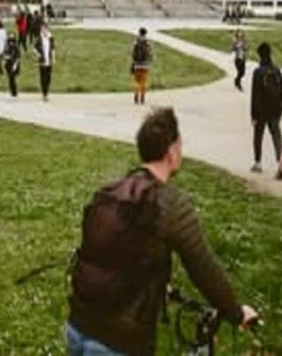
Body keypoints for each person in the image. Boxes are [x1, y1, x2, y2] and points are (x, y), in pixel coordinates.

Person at [66, 107, 258, 355]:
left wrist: (157, 285)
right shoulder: (171, 203)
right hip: (118, 342)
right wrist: (236, 312)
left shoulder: (110, 191)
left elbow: (110, 255)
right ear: (171, 151)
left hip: (78, 326)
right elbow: (204, 268)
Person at [250, 42, 282, 177]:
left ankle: (258, 162)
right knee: (276, 135)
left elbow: (255, 95)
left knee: (258, 136)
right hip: (275, 108)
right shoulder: (277, 71)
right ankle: (281, 162)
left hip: (261, 109)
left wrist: (253, 115)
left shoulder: (258, 72)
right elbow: (281, 90)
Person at [34, 24, 55, 102]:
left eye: (45, 29)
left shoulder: (50, 38)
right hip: (42, 61)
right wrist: (38, 54)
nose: (44, 31)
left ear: (48, 30)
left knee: (48, 78)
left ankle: (47, 91)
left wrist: (53, 58)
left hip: (49, 60)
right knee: (43, 77)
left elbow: (53, 49)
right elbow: (35, 48)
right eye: (43, 30)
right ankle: (44, 94)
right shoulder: (39, 39)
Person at [131, 27, 152, 105]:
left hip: (137, 64)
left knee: (137, 81)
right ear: (146, 33)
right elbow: (150, 54)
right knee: (143, 81)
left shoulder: (136, 42)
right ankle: (142, 98)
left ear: (139, 32)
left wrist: (134, 62)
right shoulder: (147, 42)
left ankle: (136, 95)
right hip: (145, 65)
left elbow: (132, 53)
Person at [4, 33, 21, 97]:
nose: (11, 42)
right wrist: (6, 57)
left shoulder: (16, 47)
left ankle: (14, 92)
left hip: (14, 64)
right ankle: (12, 91)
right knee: (10, 78)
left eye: (12, 40)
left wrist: (15, 65)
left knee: (13, 78)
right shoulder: (7, 47)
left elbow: (18, 57)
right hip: (8, 64)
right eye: (10, 40)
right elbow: (5, 55)